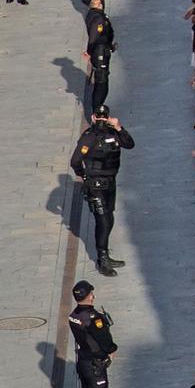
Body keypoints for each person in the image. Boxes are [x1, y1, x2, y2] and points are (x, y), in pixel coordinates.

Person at [70, 106, 134, 276]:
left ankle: (105, 253)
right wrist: (84, 176)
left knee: (109, 218)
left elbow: (130, 144)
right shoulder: (89, 137)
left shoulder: (113, 134)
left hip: (110, 183)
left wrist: (119, 127)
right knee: (103, 220)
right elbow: (76, 160)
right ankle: (102, 258)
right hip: (95, 185)